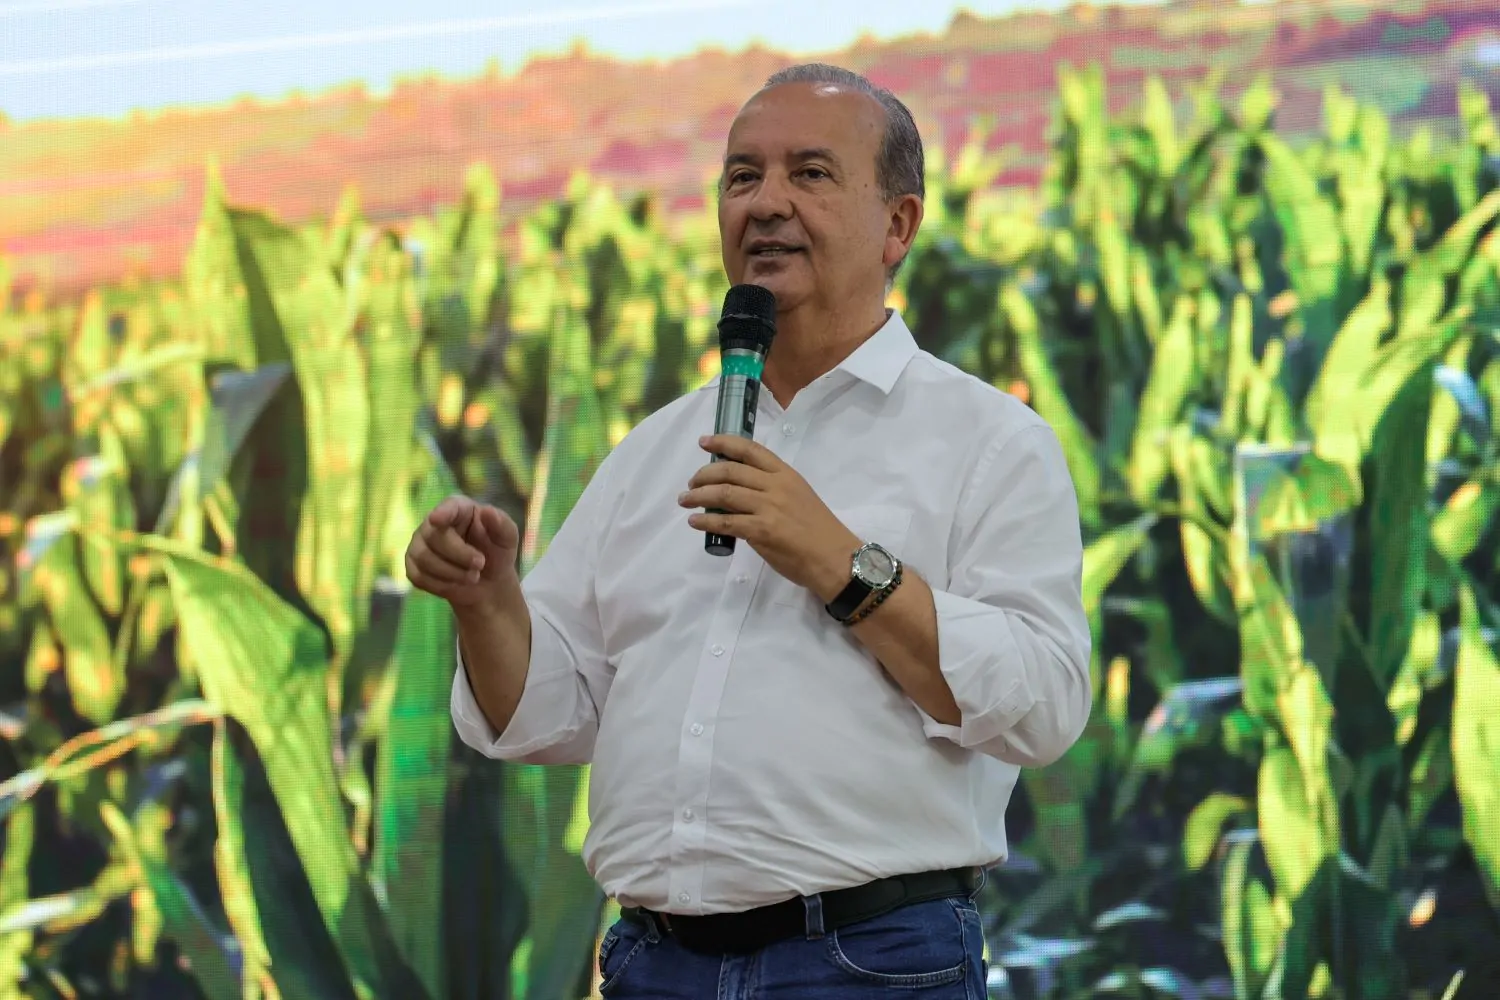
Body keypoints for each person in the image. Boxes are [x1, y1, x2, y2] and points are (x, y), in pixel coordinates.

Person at [405, 62, 1091, 999]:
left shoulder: (989, 441)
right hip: (654, 965)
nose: (765, 203)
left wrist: (843, 565)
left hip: (869, 965)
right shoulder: (653, 451)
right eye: (742, 176)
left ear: (898, 225)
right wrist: (487, 603)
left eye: (810, 173)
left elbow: (1045, 704)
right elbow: (548, 710)